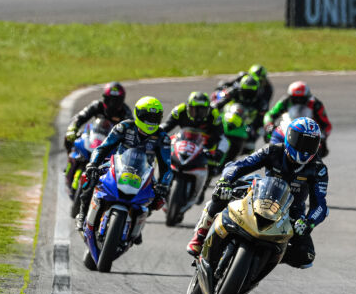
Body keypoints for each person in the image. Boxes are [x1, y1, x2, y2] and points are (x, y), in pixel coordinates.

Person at [186, 117, 328, 269]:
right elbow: (240, 164)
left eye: (310, 144)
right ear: (290, 137)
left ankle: (266, 258)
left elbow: (320, 205)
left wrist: (308, 222)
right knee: (222, 193)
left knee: (306, 256)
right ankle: (200, 236)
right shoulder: (272, 150)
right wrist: (225, 180)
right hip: (262, 193)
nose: (304, 148)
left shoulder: (318, 168)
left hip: (292, 210)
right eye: (300, 141)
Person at [75, 96, 173, 238]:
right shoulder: (124, 127)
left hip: (144, 173)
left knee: (157, 199)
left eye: (155, 118)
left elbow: (166, 167)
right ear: (139, 115)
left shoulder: (163, 138)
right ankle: (83, 214)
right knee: (88, 177)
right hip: (117, 165)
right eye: (148, 116)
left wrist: (163, 185)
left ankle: (137, 224)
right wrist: (93, 164)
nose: (151, 121)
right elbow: (103, 148)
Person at [160, 91, 230, 200]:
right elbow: (165, 127)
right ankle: (161, 181)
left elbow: (223, 139)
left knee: (214, 166)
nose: (198, 114)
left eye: (202, 110)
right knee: (162, 153)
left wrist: (218, 153)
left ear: (207, 109)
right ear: (188, 107)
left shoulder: (214, 115)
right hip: (182, 141)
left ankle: (203, 187)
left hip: (204, 145)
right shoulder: (179, 110)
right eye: (194, 110)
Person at [263, 81, 332, 156]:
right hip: (286, 131)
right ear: (290, 96)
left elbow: (327, 125)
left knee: (318, 150)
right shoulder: (285, 101)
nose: (298, 101)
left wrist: (321, 137)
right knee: (271, 147)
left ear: (307, 97)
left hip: (307, 135)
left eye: (301, 99)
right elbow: (270, 115)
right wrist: (268, 125)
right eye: (295, 98)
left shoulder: (316, 104)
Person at [63, 81, 132, 150]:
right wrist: (72, 129)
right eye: (110, 100)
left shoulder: (126, 112)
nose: (112, 104)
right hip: (94, 136)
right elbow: (79, 117)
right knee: (69, 137)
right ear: (105, 98)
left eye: (116, 101)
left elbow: (132, 130)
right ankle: (71, 157)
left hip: (113, 143)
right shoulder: (97, 105)